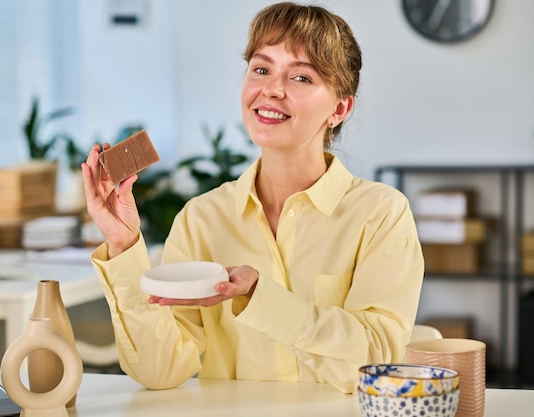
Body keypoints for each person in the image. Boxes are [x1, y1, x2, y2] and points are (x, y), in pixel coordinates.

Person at [81, 2, 424, 394]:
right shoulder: (202, 218)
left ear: (339, 108)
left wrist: (261, 298)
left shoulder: (380, 214)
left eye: (301, 78)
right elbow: (161, 370)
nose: (271, 89)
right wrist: (124, 242)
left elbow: (376, 361)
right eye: (261, 70)